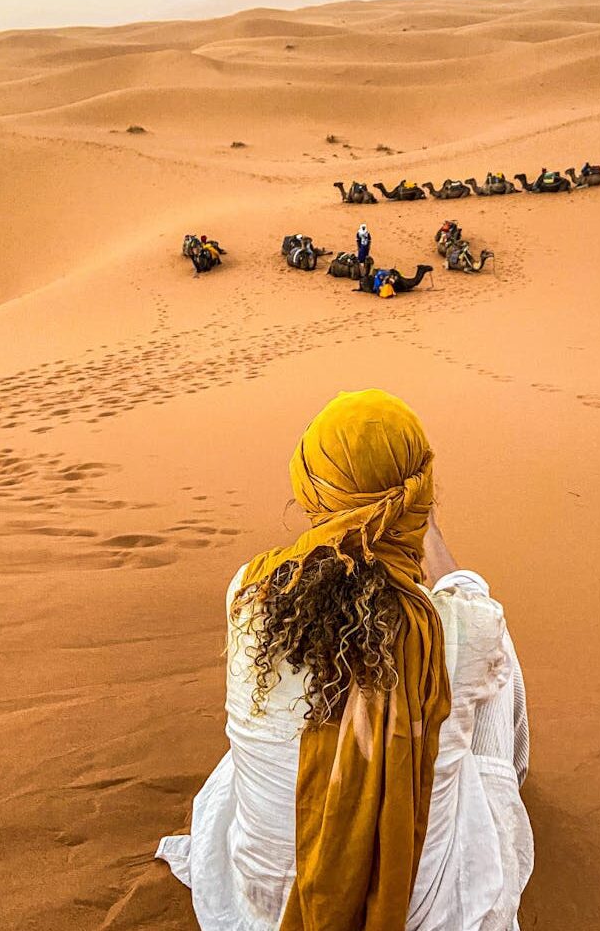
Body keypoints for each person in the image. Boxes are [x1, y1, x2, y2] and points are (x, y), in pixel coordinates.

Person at [156, 390, 534, 931]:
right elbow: (463, 589)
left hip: (261, 907)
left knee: (281, 724)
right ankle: (514, 784)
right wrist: (417, 527)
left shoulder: (248, 592)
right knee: (491, 638)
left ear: (310, 493)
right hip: (424, 910)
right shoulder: (459, 626)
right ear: (419, 500)